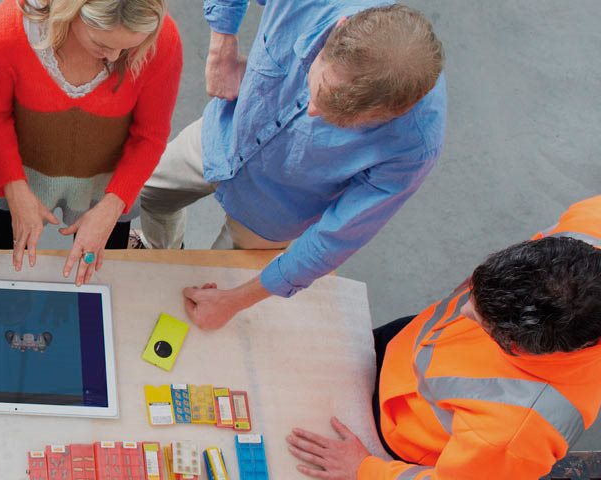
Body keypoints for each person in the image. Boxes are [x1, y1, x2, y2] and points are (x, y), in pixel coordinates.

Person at [137, 1, 447, 329]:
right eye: (318, 89)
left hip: (274, 211)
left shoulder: (414, 145)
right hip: (226, 133)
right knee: (151, 193)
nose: (312, 112)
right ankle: (160, 251)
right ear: (338, 30)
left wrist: (233, 300)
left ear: (392, 114)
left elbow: (333, 239)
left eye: (338, 121)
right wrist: (222, 45)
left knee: (215, 279)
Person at [285, 196, 601, 480]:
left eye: (483, 322)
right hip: (408, 344)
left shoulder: (515, 434)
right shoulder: (589, 227)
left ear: (525, 347)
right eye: (477, 290)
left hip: (402, 436)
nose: (464, 307)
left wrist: (365, 469)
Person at [0, 0, 182, 284]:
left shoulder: (162, 38)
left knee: (98, 273)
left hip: (107, 184)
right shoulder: (6, 29)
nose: (114, 56)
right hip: (16, 171)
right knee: (1, 263)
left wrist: (111, 208)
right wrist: (14, 188)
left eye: (129, 47)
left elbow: (151, 136)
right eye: (102, 43)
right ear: (69, 10)